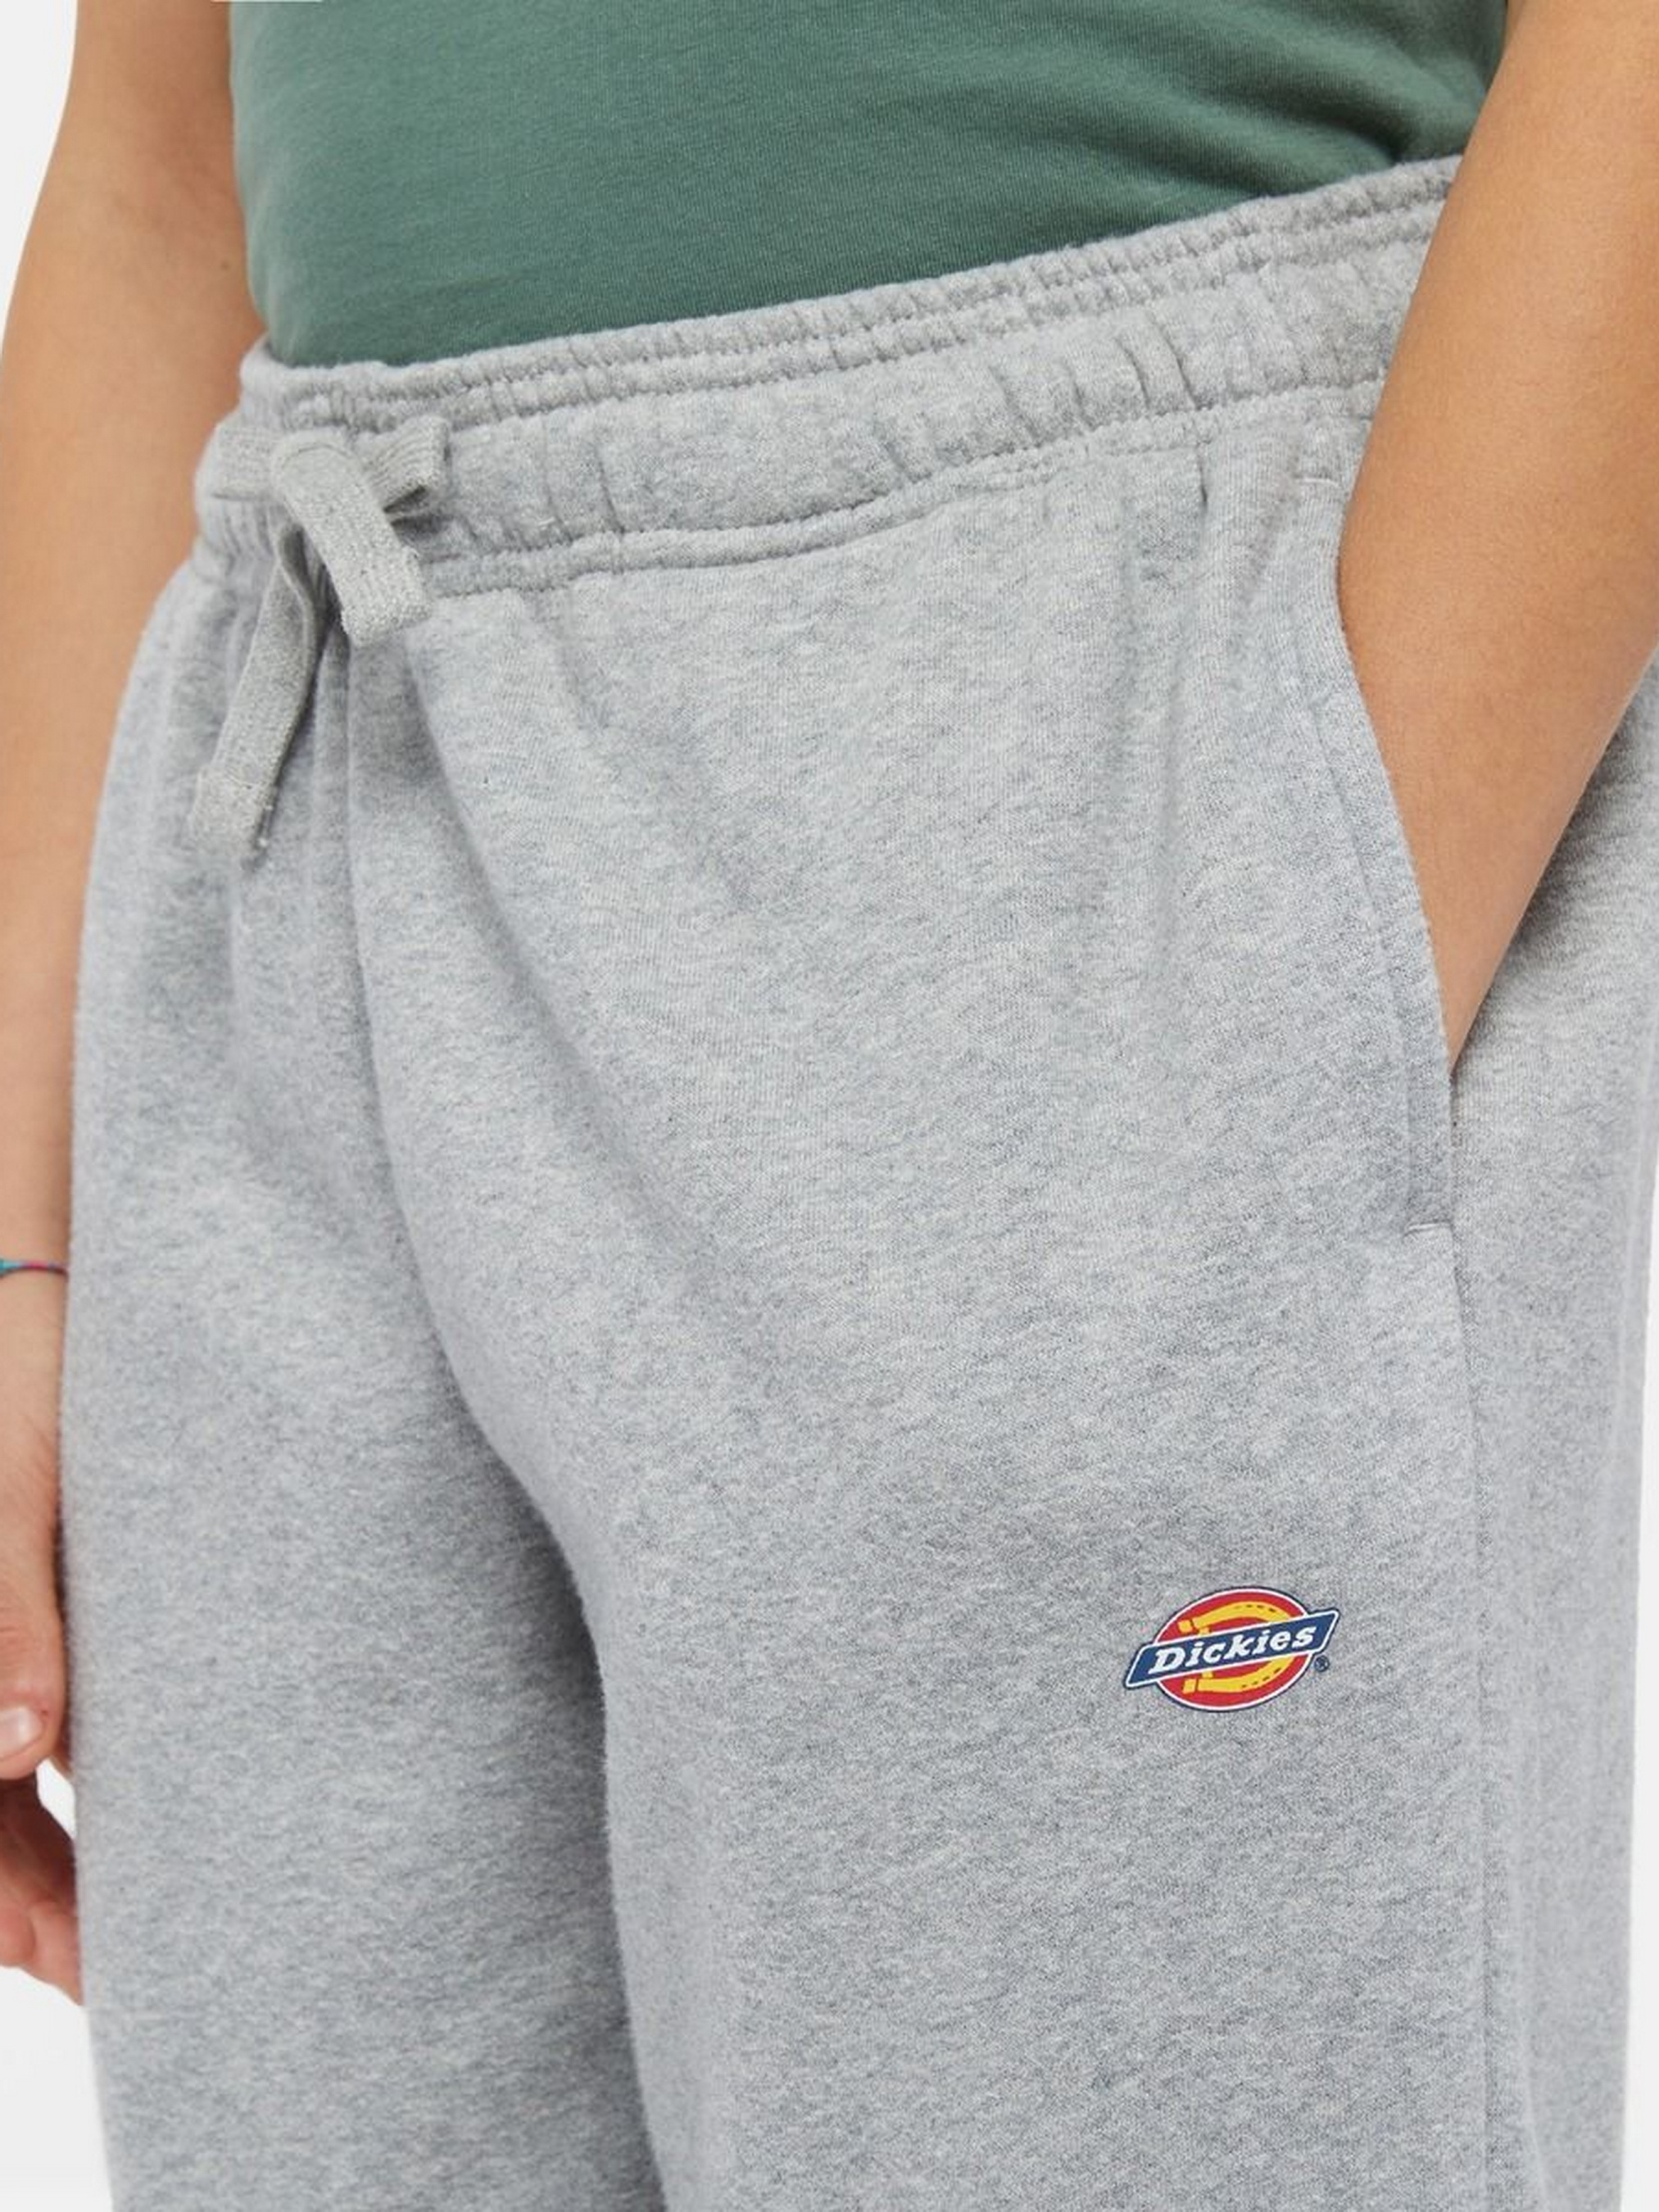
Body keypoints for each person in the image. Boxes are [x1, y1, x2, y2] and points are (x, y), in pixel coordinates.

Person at [2, 0, 1656, 2205]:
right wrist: (26, 1240)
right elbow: (155, 151)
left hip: (1087, 683)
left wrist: (1310, 919)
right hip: (299, 752)